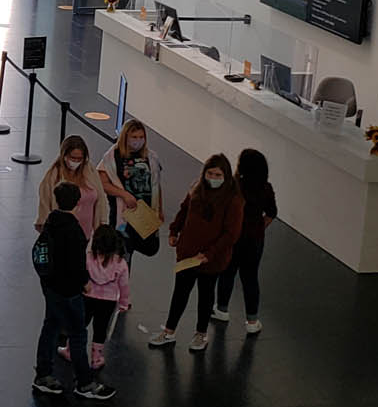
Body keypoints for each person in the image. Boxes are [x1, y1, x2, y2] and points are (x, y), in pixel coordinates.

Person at [148, 154, 243, 353]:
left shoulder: (233, 200)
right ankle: (169, 330)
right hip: (188, 254)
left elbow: (231, 234)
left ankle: (201, 334)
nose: (213, 178)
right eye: (210, 173)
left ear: (225, 176)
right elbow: (184, 209)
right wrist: (174, 231)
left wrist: (210, 253)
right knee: (180, 292)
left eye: (217, 174)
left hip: (211, 259)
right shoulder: (197, 188)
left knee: (206, 295)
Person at [32, 183, 116, 400]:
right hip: (69, 291)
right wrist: (85, 283)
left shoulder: (51, 222)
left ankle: (43, 375)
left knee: (50, 327)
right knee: (78, 334)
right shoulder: (74, 230)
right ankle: (84, 383)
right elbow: (76, 265)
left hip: (50, 285)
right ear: (79, 203)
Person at [211, 148, 276, 334]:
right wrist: (259, 227)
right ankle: (252, 321)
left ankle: (222, 309)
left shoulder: (233, 186)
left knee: (227, 273)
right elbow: (272, 212)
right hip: (254, 241)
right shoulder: (266, 188)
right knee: (250, 278)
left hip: (233, 237)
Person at [59, 224, 130, 371]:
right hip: (108, 302)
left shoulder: (88, 259)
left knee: (79, 325)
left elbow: (79, 276)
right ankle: (96, 358)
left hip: (87, 298)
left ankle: (70, 351)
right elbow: (124, 286)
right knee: (100, 329)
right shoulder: (121, 263)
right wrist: (124, 303)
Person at [96, 117, 164, 255]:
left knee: (150, 248)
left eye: (141, 137)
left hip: (144, 213)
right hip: (124, 216)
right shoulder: (112, 156)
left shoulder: (151, 157)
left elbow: (156, 185)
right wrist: (124, 195)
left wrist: (160, 210)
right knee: (122, 253)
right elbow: (102, 183)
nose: (138, 140)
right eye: (134, 137)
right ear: (125, 136)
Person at [36, 135, 109, 243]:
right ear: (64, 156)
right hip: (61, 236)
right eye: (72, 158)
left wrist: (102, 223)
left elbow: (101, 198)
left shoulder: (90, 170)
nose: (75, 161)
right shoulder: (54, 176)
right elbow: (45, 203)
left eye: (79, 159)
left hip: (85, 233)